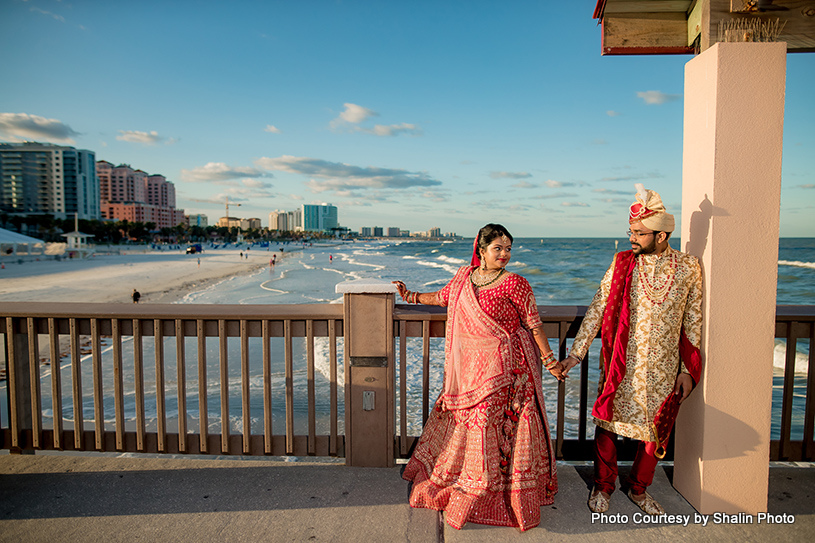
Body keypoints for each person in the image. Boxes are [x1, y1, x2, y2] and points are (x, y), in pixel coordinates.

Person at [395, 223, 561, 531]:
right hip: (473, 373)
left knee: (504, 431)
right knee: (476, 429)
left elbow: (534, 324)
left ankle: (506, 494)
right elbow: (442, 298)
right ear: (481, 250)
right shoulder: (462, 279)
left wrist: (550, 360)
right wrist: (412, 296)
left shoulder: (516, 283)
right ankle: (473, 483)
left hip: (510, 372)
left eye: (508, 249)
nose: (504, 254)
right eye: (498, 248)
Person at [558, 185, 703, 516]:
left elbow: (693, 322)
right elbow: (599, 306)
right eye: (631, 232)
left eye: (639, 233)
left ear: (662, 235)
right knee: (609, 423)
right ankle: (603, 486)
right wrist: (576, 353)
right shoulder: (623, 263)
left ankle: (639, 488)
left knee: (656, 429)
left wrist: (686, 369)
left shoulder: (689, 268)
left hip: (666, 367)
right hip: (622, 362)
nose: (632, 239)